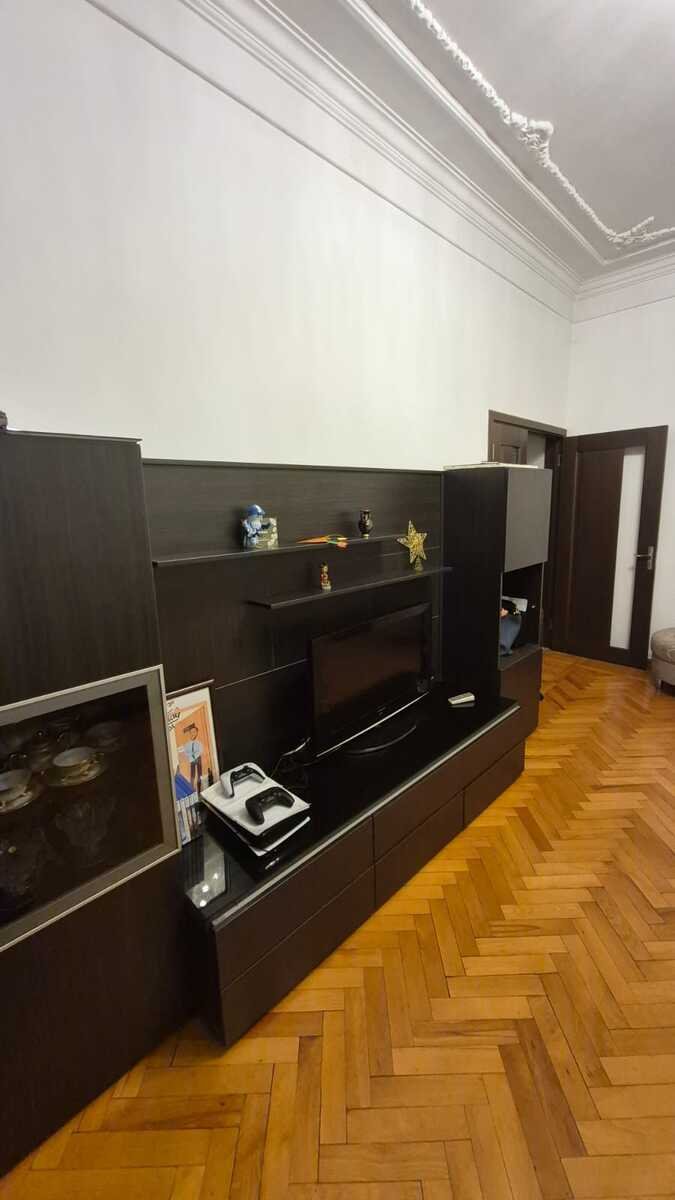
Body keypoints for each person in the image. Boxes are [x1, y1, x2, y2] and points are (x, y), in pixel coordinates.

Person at [178, 722, 203, 794]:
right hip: (192, 760)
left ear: (197, 733)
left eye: (194, 732)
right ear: (189, 733)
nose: (193, 734)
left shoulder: (198, 743)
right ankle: (192, 789)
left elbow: (200, 751)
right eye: (191, 732)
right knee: (192, 775)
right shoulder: (187, 744)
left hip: (198, 759)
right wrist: (191, 756)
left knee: (199, 774)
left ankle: (199, 789)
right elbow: (186, 752)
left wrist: (194, 755)